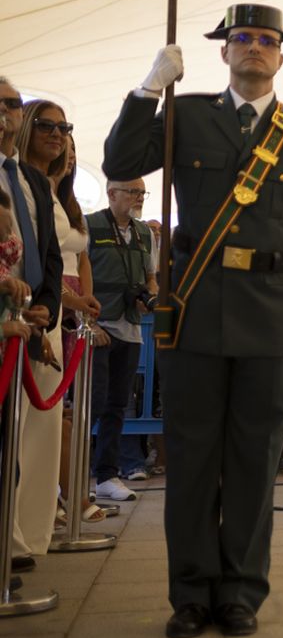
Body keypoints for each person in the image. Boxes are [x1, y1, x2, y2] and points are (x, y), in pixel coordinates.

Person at [103, 3, 283, 638]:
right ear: (223, 52)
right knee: (194, 457)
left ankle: (241, 591)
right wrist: (149, 89)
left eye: (266, 41)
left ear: (281, 56)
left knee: (256, 459)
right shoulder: (186, 114)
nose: (254, 48)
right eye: (242, 39)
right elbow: (121, 160)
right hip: (197, 311)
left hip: (273, 313)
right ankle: (190, 593)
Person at [6, 98, 69, 566]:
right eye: (46, 124)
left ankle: (20, 537)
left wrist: (46, 305)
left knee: (23, 430)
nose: (57, 133)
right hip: (5, 313)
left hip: (34, 316)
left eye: (64, 128)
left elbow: (49, 253)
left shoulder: (30, 180)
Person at [86, 179, 156, 506]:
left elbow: (150, 278)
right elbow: (78, 275)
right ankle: (67, 478)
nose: (139, 198)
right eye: (133, 192)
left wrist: (149, 297)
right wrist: (88, 322)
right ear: (111, 193)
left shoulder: (144, 234)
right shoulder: (89, 226)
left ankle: (107, 476)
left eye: (142, 192)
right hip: (97, 327)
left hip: (130, 327)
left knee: (117, 405)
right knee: (91, 403)